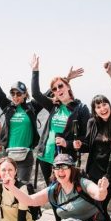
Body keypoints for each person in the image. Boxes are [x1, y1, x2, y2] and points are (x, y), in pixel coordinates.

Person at [4, 154, 109, 221]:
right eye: (57, 167)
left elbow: (99, 195)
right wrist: (11, 187)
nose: (60, 171)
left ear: (72, 169)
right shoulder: (54, 190)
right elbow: (29, 200)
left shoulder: (82, 183)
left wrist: (102, 189)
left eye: (64, 167)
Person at [0, 53, 45, 183]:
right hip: (9, 155)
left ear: (25, 95)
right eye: (12, 93)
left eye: (19, 93)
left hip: (26, 155)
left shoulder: (32, 108)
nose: (15, 96)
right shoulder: (8, 107)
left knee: (22, 187)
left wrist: (36, 71)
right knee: (8, 187)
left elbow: (47, 94)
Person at [31, 54, 90, 186]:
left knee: (64, 191)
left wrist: (67, 143)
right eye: (54, 89)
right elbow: (35, 94)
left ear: (68, 87)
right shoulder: (54, 105)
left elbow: (86, 138)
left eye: (61, 86)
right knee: (51, 192)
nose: (58, 90)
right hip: (44, 156)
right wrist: (35, 70)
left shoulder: (80, 109)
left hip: (63, 159)